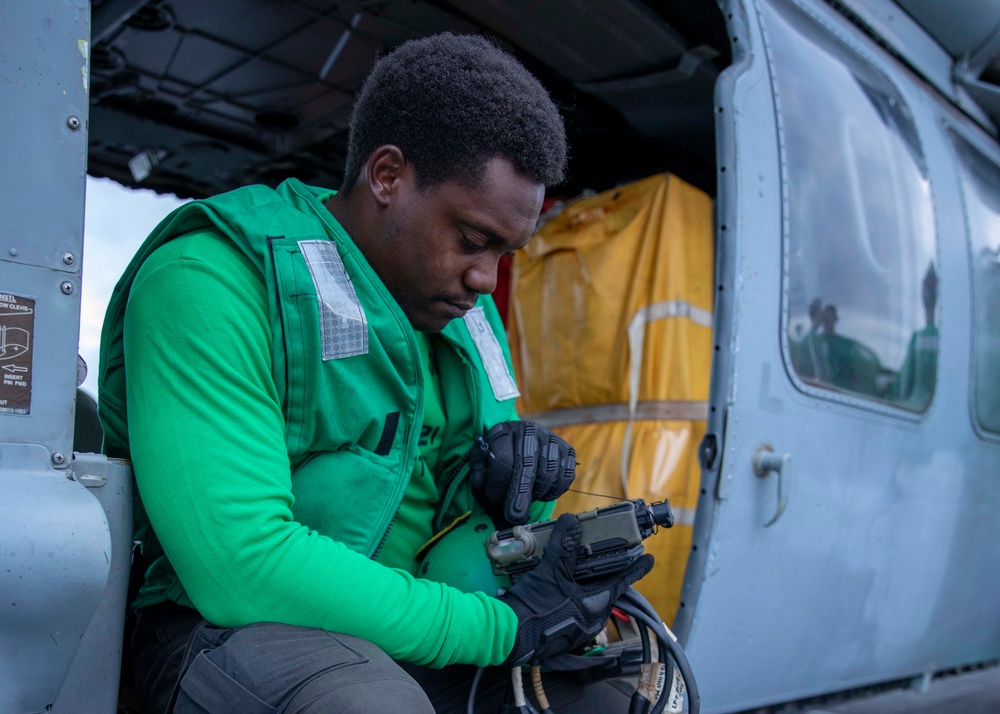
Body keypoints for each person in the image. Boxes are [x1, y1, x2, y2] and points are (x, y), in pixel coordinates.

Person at [99, 33, 652, 713]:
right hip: (224, 630)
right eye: (473, 240)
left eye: (505, 253)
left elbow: (476, 536)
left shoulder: (464, 316)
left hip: (407, 625)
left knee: (616, 698)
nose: (486, 279)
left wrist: (518, 487)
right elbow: (241, 566)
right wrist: (502, 628)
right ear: (387, 177)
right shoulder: (211, 278)